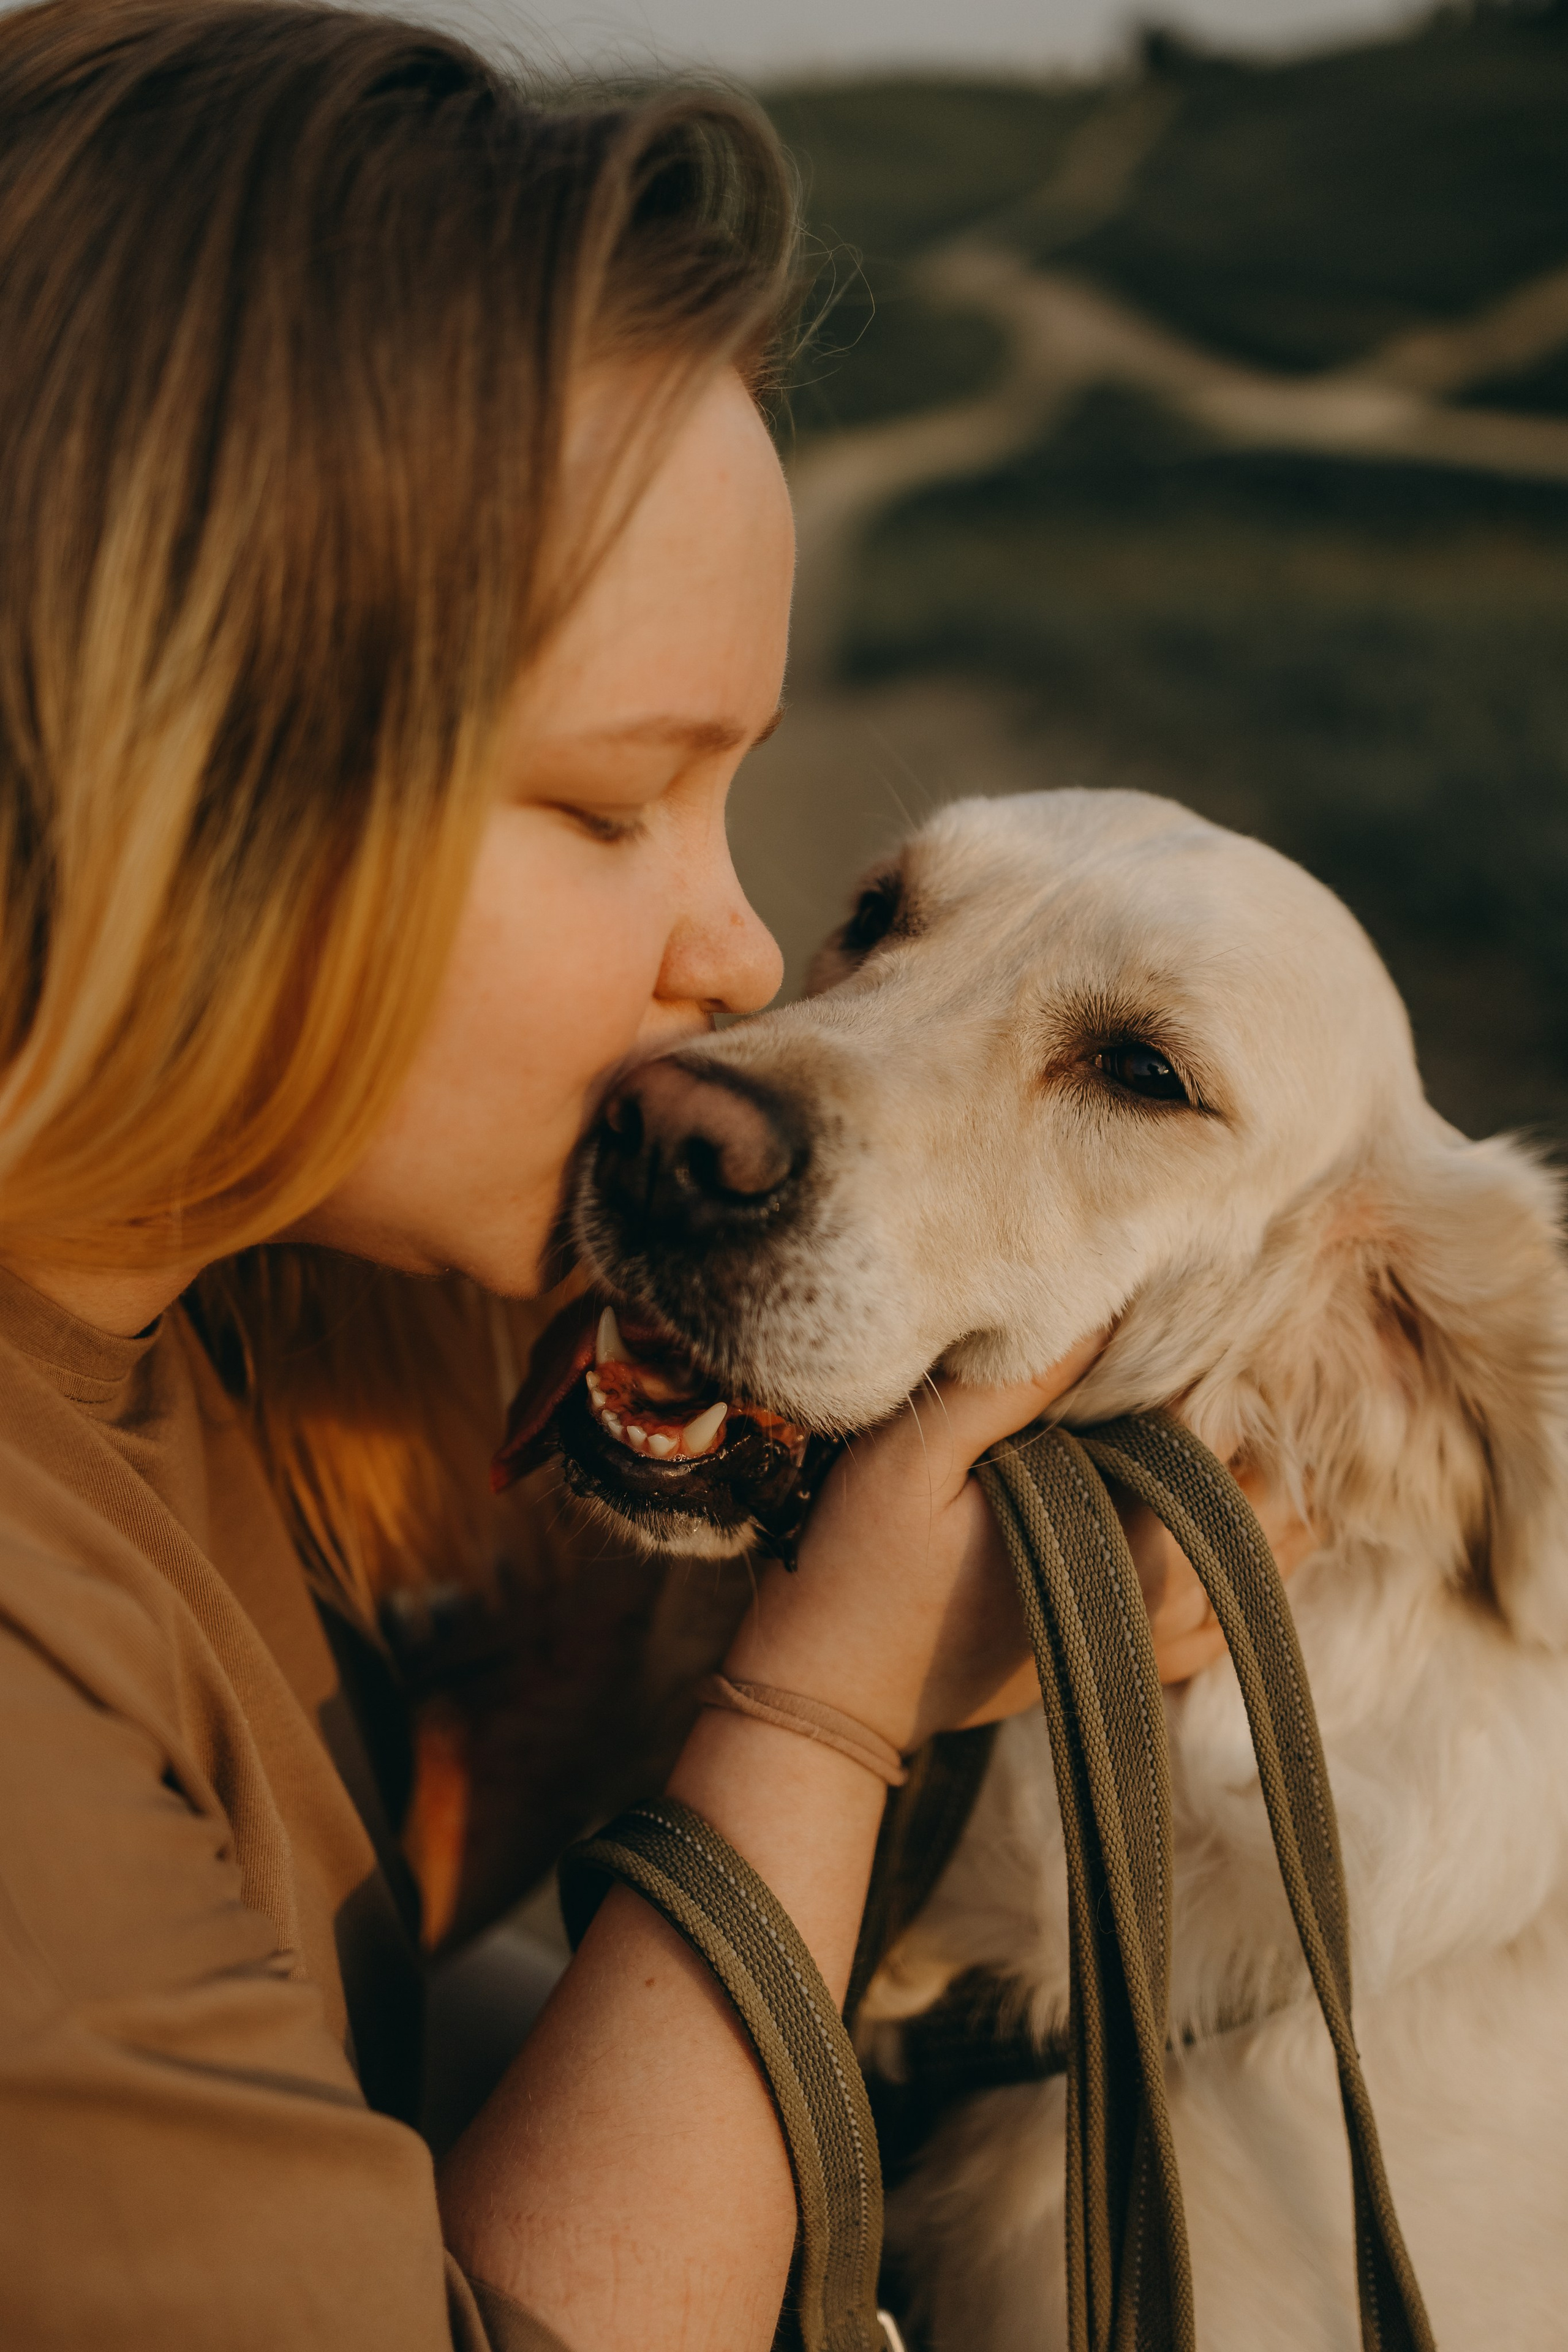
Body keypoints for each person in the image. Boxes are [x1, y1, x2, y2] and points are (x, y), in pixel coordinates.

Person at [0, 6, 1242, 2347]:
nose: (740, 952)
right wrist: (832, 1698)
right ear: (162, 756)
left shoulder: (210, 1303)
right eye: (605, 806)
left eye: (731, 795)